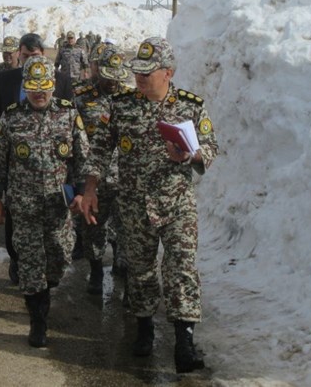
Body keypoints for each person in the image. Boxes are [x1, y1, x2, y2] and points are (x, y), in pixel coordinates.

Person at [86, 37, 218, 373]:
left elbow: (211, 147)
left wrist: (192, 154)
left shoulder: (191, 107)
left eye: (148, 72)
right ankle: (144, 328)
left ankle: (184, 341)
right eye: (137, 72)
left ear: (168, 73)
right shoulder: (121, 105)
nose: (140, 78)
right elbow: (100, 150)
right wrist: (90, 188)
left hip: (176, 204)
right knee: (141, 271)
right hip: (135, 204)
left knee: (181, 268)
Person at [0, 56, 96, 348]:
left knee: (59, 259)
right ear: (26, 87)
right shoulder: (11, 117)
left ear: (53, 86)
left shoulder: (69, 114)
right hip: (24, 205)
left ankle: (45, 292)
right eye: (34, 88)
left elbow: (83, 158)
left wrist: (82, 191)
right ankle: (38, 321)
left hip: (59, 206)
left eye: (45, 88)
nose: (40, 94)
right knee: (31, 264)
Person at [0, 33, 74, 284]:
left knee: (54, 230)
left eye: (35, 56)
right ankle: (19, 260)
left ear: (43, 56)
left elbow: (71, 127)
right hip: (17, 167)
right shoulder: (6, 79)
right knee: (17, 220)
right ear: (19, 56)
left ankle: (45, 267)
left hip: (53, 169)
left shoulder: (63, 80)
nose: (29, 61)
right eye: (25, 56)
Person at [74, 44, 131, 294]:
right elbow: (74, 138)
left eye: (116, 77)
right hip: (94, 178)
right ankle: (96, 269)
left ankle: (122, 264)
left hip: (125, 177)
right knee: (93, 228)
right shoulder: (82, 97)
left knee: (125, 227)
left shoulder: (131, 99)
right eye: (108, 77)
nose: (112, 82)